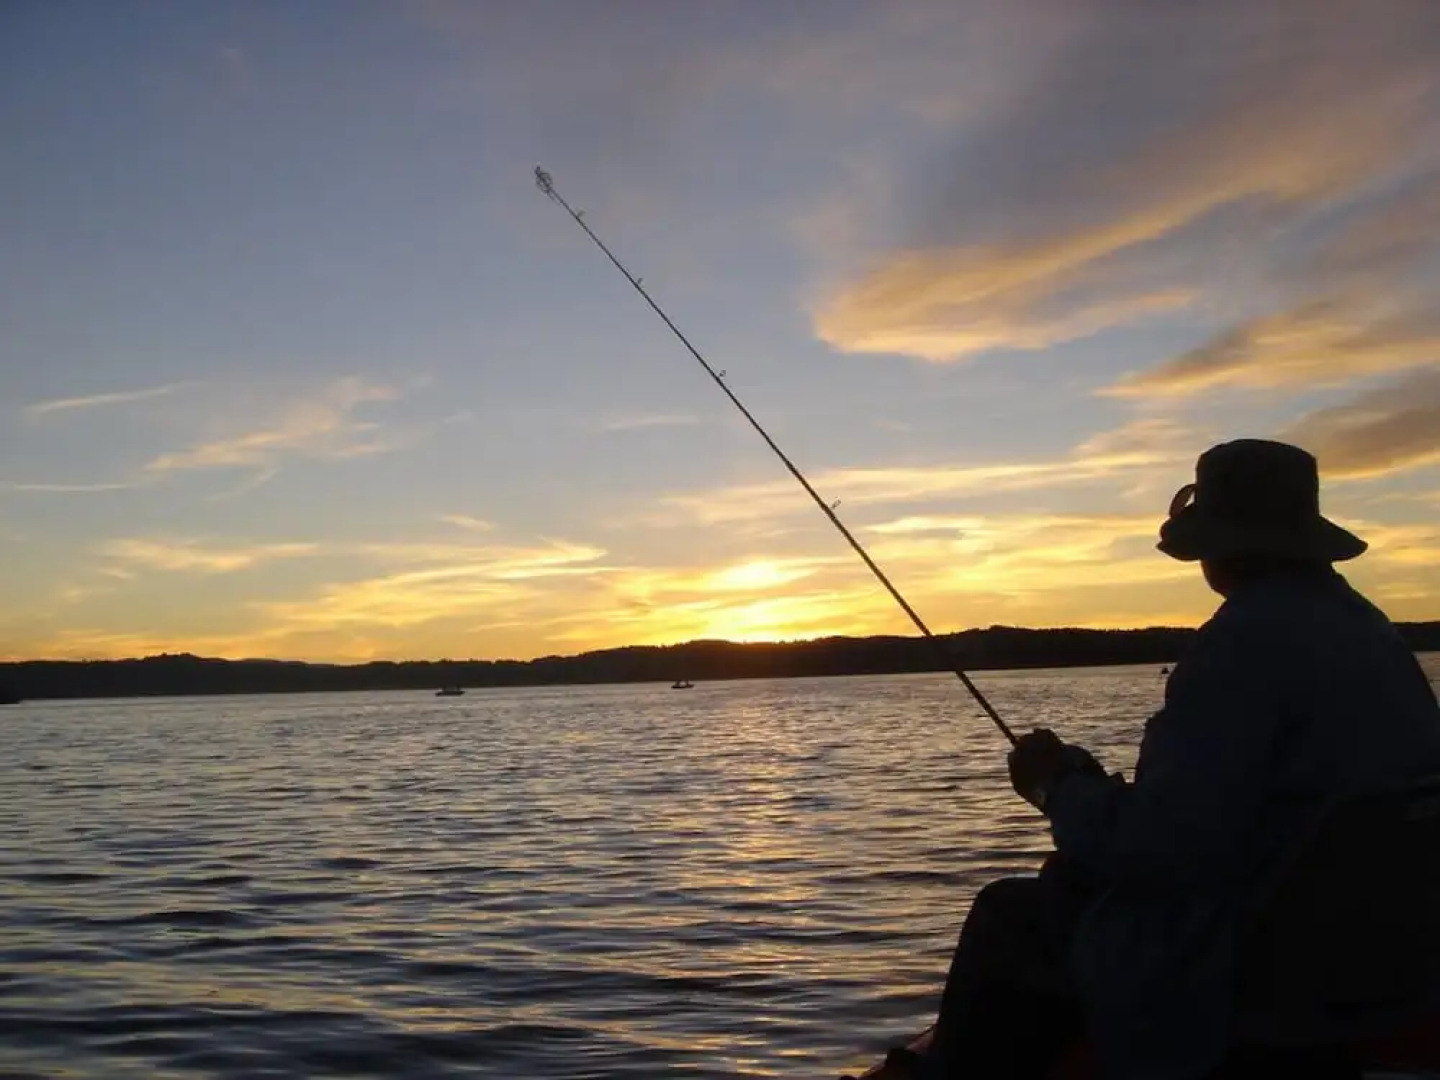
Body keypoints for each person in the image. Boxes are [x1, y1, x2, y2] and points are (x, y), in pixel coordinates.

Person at [890, 439, 1440, 1080]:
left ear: (1217, 546)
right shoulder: (1371, 632)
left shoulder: (1239, 649)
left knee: (1010, 915)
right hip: (1375, 958)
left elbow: (1161, 853)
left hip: (1253, 959)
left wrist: (1057, 789)